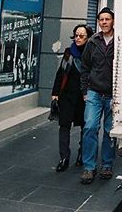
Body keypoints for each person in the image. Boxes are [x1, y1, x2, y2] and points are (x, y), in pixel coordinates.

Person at [80, 7, 116, 184]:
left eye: (107, 19)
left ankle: (107, 165)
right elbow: (85, 68)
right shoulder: (92, 42)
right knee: (90, 127)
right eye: (101, 19)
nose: (104, 22)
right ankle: (89, 167)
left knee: (110, 131)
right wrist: (85, 91)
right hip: (94, 93)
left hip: (112, 94)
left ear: (113, 21)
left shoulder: (120, 40)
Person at [51, 24, 93, 171]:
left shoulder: (91, 53)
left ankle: (82, 154)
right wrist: (55, 93)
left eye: (81, 36)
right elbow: (61, 72)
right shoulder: (69, 52)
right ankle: (64, 158)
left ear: (88, 37)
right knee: (64, 125)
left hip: (84, 97)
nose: (78, 38)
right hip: (67, 96)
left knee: (85, 127)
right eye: (76, 35)